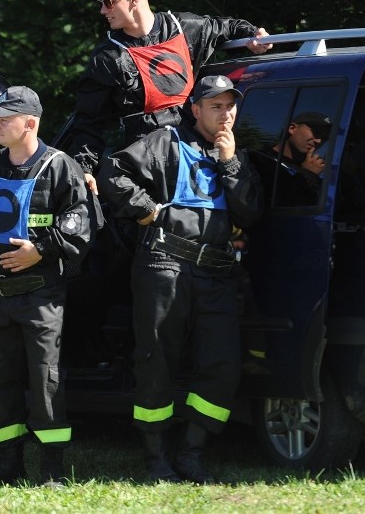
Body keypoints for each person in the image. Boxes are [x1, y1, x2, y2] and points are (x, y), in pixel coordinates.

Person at [97, 75, 264, 483]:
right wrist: (146, 210)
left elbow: (251, 213)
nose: (226, 114)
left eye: (230, 106)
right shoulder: (165, 141)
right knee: (156, 361)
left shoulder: (235, 154)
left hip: (216, 273)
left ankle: (191, 452)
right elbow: (112, 172)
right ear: (196, 109)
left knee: (224, 364)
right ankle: (156, 459)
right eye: (216, 106)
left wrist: (230, 162)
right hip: (164, 265)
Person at [0, 86, 94, 487]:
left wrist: (42, 251)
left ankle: (51, 468)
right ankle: (6, 464)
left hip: (41, 295)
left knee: (44, 378)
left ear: (30, 123)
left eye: (5, 118)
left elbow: (81, 223)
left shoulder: (59, 166)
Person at [66, 0, 272, 192]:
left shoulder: (184, 27)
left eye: (108, 3)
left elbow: (227, 27)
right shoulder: (108, 57)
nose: (103, 10)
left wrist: (254, 34)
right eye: (101, 3)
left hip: (197, 162)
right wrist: (83, 168)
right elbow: (90, 121)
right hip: (146, 172)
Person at [258, 111, 330, 206]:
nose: (319, 141)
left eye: (325, 138)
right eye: (316, 133)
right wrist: (307, 174)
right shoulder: (258, 161)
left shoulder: (319, 170)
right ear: (292, 128)